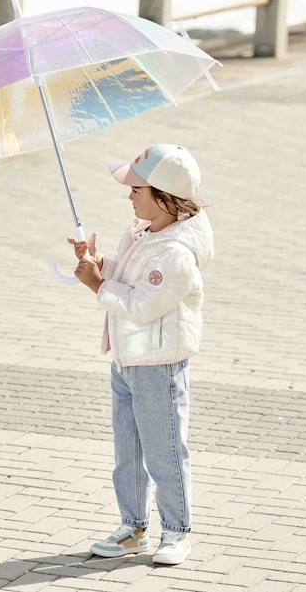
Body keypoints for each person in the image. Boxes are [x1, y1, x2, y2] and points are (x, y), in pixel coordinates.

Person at [67, 144, 214, 565]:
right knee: (127, 451)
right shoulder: (143, 231)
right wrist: (100, 264)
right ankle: (133, 527)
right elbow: (129, 277)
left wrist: (97, 285)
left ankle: (177, 531)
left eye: (136, 188)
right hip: (127, 359)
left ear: (164, 196)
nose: (128, 196)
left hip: (158, 363)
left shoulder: (176, 254)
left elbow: (143, 306)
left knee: (164, 450)